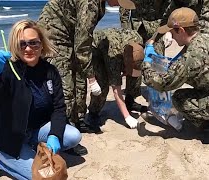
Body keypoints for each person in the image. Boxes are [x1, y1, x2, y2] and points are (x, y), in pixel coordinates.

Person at [0, 19, 81, 180]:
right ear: (15, 46)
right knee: (42, 177)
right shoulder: (6, 69)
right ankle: (1, 161)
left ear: (42, 44)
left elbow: (59, 108)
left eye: (34, 43)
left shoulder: (50, 71)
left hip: (35, 132)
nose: (28, 48)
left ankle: (29, 150)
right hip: (9, 138)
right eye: (22, 44)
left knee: (73, 136)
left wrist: (54, 135)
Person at [37, 0, 136, 154]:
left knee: (79, 79)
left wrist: (86, 74)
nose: (120, 5)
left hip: (71, 36)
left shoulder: (100, 3)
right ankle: (64, 132)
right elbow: (83, 42)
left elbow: (82, 38)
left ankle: (77, 120)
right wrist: (92, 77)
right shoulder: (91, 4)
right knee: (66, 85)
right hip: (54, 35)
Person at [143, 7, 209, 146]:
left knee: (179, 98)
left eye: (172, 31)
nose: (172, 35)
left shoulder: (190, 58)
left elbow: (161, 83)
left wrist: (146, 62)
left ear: (181, 30)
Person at [118, 0, 171, 115]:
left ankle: (159, 102)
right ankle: (130, 99)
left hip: (156, 28)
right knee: (134, 61)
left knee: (158, 64)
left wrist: (168, 29)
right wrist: (126, 30)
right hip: (135, 26)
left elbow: (169, 5)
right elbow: (124, 6)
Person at [88, 28, 146, 130]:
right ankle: (93, 113)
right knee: (102, 85)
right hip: (97, 50)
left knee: (135, 76)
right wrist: (127, 117)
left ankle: (130, 102)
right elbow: (116, 91)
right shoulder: (113, 57)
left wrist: (128, 69)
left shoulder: (139, 42)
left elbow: (136, 59)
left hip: (120, 48)